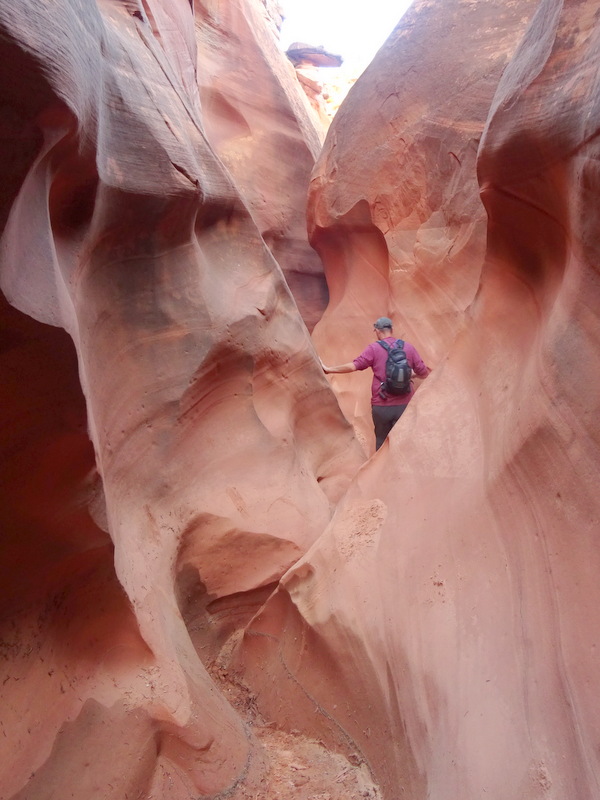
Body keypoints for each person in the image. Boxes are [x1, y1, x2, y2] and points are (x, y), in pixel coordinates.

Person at [321, 317, 430, 450]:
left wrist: (329, 369)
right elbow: (424, 373)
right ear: (392, 330)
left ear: (377, 331)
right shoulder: (408, 347)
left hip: (381, 405)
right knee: (404, 444)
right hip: (404, 405)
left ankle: (381, 470)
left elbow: (354, 366)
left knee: (381, 443)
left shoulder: (373, 349)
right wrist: (409, 374)